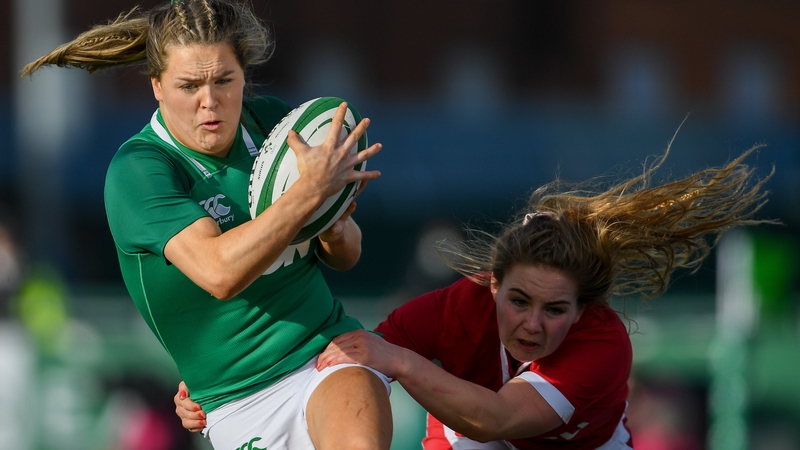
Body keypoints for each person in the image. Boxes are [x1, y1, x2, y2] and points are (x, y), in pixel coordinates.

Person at [175, 144, 776, 449]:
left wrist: (402, 361)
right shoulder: (456, 308)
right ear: (491, 282)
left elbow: (497, 419)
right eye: (518, 300)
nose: (533, 325)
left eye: (555, 309)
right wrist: (223, 382)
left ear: (584, 309)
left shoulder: (603, 343)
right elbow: (343, 355)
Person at [21, 1, 393, 449]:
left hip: (329, 354)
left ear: (244, 77)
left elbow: (346, 255)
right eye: (189, 85)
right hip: (235, 401)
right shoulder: (140, 169)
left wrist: (332, 216)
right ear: (157, 86)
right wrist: (308, 195)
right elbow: (219, 273)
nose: (209, 101)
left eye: (224, 80)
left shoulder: (274, 126)